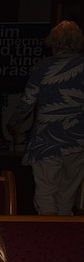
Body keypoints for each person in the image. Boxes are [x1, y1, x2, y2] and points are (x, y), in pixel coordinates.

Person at [7, 20, 84, 216]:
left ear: (53, 41)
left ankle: (48, 229)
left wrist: (14, 122)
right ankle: (65, 230)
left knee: (46, 192)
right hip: (79, 139)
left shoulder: (44, 67)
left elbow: (28, 100)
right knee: (68, 195)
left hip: (47, 139)